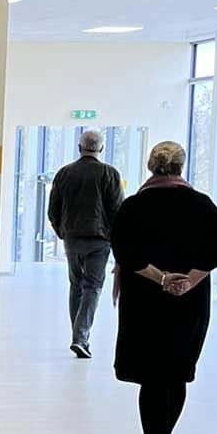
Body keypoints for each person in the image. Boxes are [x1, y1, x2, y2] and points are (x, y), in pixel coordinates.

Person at [110, 140, 217, 434]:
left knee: (152, 378)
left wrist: (161, 279)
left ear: (151, 166)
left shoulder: (134, 206)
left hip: (145, 303)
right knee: (175, 375)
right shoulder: (203, 206)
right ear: (181, 166)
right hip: (189, 303)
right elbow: (216, 252)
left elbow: (125, 253)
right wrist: (187, 282)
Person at [49, 128, 125, 360]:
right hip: (99, 240)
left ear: (79, 147)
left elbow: (53, 209)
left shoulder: (64, 173)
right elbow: (118, 211)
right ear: (101, 148)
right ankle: (80, 338)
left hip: (72, 238)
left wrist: (62, 231)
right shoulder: (109, 174)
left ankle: (78, 336)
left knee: (76, 285)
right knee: (92, 286)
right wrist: (117, 240)